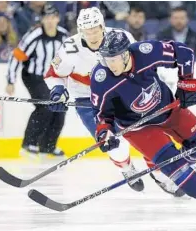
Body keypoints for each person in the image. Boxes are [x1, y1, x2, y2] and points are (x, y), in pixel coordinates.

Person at [44, 7, 185, 196]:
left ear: (103, 26)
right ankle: (126, 168)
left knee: (149, 133)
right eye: (87, 31)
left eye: (95, 29)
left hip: (122, 93)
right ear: (80, 31)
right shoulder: (69, 49)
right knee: (111, 141)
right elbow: (53, 74)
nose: (92, 35)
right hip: (88, 99)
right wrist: (58, 91)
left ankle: (161, 174)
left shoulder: (121, 37)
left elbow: (140, 62)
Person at [89, 30, 196, 213]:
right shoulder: (100, 77)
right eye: (106, 59)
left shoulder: (145, 51)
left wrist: (186, 84)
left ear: (126, 54)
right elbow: (101, 114)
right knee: (170, 160)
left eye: (113, 59)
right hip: (136, 127)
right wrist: (105, 132)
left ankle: (166, 169)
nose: (109, 64)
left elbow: (184, 52)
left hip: (167, 109)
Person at [6, 4, 68, 156]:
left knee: (60, 109)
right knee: (46, 105)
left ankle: (48, 146)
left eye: (53, 17)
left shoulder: (64, 36)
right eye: (46, 17)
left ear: (58, 19)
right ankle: (29, 144)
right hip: (34, 76)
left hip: (53, 79)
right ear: (42, 19)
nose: (50, 21)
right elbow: (17, 56)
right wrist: (10, 80)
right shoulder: (34, 35)